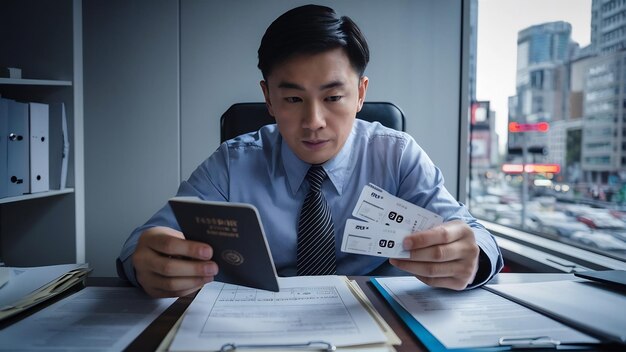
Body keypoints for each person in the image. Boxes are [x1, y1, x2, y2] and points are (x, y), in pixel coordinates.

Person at [117, 4, 503, 298]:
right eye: (292, 98)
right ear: (268, 98)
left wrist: (471, 260)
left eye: (334, 96)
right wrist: (145, 262)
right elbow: (145, 241)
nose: (314, 120)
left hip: (380, 322)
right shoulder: (233, 164)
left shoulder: (397, 156)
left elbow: (476, 237)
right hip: (257, 328)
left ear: (361, 95)